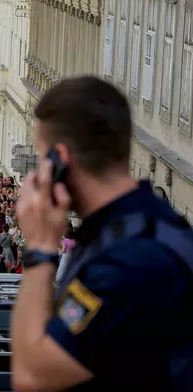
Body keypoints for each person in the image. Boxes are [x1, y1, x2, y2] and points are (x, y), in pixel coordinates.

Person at [12, 76, 193, 391]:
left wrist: (39, 248)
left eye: (42, 158)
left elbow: (32, 377)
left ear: (60, 161)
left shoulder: (127, 260)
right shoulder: (151, 228)